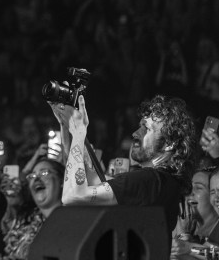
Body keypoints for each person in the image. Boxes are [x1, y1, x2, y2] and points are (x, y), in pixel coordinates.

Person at [60, 94, 195, 240]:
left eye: (146, 129)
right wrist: (65, 124)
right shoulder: (162, 182)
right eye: (139, 126)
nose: (135, 133)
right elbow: (87, 180)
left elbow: (73, 196)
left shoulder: (150, 180)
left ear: (170, 143)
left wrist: (79, 133)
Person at [2, 159, 64, 260]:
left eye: (44, 173)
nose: (37, 179)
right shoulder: (25, 222)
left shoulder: (72, 220)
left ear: (62, 180)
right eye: (32, 176)